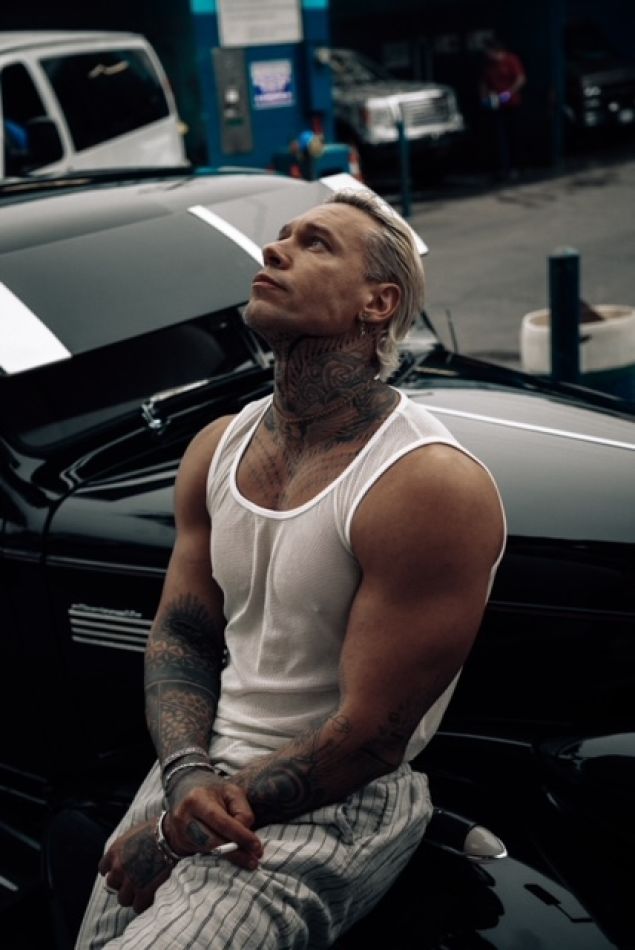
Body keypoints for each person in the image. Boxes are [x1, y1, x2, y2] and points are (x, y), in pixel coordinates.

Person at [76, 188, 506, 949]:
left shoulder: (424, 481)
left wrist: (178, 832)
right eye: (280, 236)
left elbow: (371, 737)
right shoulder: (216, 446)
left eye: (315, 244)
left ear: (378, 302)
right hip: (194, 772)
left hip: (337, 805)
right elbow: (183, 633)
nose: (274, 251)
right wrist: (185, 775)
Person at [479, 37, 527, 180]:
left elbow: (521, 79)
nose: (487, 54)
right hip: (496, 104)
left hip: (512, 103)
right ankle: (500, 168)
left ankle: (516, 167)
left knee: (514, 136)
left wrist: (509, 93)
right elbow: (483, 82)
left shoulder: (510, 60)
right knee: (498, 137)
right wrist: (484, 97)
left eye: (488, 51)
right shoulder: (489, 65)